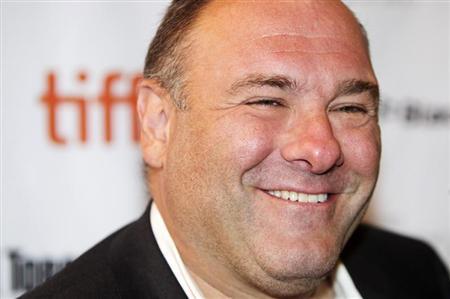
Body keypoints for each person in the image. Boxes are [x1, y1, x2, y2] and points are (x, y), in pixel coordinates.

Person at [22, 1, 450, 298]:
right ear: (157, 124)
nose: (321, 149)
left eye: (350, 107)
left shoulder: (415, 273)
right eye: (266, 100)